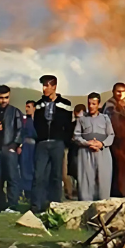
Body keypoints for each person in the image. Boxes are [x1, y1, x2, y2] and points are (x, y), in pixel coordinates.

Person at [32, 75, 72, 213]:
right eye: (43, 85)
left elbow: (68, 126)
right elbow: (36, 124)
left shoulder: (65, 104)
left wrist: (63, 141)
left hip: (57, 143)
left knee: (56, 175)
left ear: (54, 86)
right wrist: (39, 137)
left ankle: (55, 205)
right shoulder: (38, 104)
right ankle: (37, 205)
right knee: (39, 175)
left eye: (46, 85)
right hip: (42, 144)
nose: (44, 88)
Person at [74, 92, 115, 201]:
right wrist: (87, 143)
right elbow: (76, 135)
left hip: (102, 152)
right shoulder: (82, 119)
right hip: (86, 152)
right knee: (86, 182)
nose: (91, 106)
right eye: (89, 103)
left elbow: (111, 135)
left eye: (94, 104)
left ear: (99, 105)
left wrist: (102, 144)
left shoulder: (105, 118)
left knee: (103, 181)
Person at [0, 85, 23, 213]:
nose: (4, 100)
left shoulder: (15, 112)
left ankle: (13, 205)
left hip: (9, 149)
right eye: (1, 98)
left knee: (12, 178)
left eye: (6, 97)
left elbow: (20, 130)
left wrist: (14, 146)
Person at [102, 82, 125, 196]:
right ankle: (116, 193)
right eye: (118, 91)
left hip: (123, 143)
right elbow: (113, 123)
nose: (120, 94)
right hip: (114, 142)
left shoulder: (123, 106)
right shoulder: (110, 106)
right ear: (113, 92)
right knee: (116, 169)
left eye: (122, 91)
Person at [20, 100, 37, 201]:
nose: (27, 109)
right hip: (26, 146)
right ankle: (27, 192)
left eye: (29, 107)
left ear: (34, 108)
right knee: (25, 169)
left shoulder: (38, 120)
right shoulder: (25, 121)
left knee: (34, 169)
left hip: (35, 146)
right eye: (26, 106)